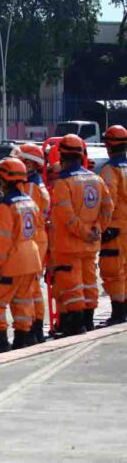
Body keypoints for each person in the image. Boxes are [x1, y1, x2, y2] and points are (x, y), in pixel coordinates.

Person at [0, 158, 43, 356]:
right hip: (31, 261)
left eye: (0, 178)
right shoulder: (29, 201)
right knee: (23, 302)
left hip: (11, 264)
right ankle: (21, 341)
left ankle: (1, 343)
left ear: (5, 179)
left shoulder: (7, 205)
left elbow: (2, 239)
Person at [50, 134, 113, 335]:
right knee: (89, 282)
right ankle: (88, 321)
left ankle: (75, 326)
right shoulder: (96, 179)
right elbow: (107, 209)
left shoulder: (63, 183)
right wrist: (97, 230)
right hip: (90, 244)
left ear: (62, 156)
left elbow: (67, 217)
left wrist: (85, 233)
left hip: (69, 246)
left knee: (72, 286)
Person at [17, 143, 51, 343]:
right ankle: (36, 328)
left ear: (29, 164)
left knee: (26, 288)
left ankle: (28, 331)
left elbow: (24, 217)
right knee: (35, 288)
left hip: (31, 241)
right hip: (38, 239)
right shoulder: (37, 185)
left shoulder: (29, 187)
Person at [99, 126, 127, 326]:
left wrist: (103, 226)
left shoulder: (110, 170)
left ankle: (118, 313)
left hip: (116, 229)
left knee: (114, 271)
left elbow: (109, 201)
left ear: (108, 145)